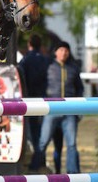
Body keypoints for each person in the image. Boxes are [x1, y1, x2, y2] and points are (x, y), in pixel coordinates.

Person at [32, 42, 84, 174]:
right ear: (55, 52)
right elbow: (39, 85)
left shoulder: (73, 68)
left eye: (66, 50)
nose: (64, 53)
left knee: (71, 144)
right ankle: (35, 168)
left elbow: (80, 88)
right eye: (61, 50)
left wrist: (79, 108)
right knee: (43, 141)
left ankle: (73, 172)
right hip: (51, 109)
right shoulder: (47, 66)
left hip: (70, 109)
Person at [19, 34, 50, 168]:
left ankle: (36, 161)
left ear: (29, 44)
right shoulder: (46, 60)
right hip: (44, 98)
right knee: (42, 132)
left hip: (29, 100)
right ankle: (41, 159)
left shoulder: (25, 61)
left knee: (32, 132)